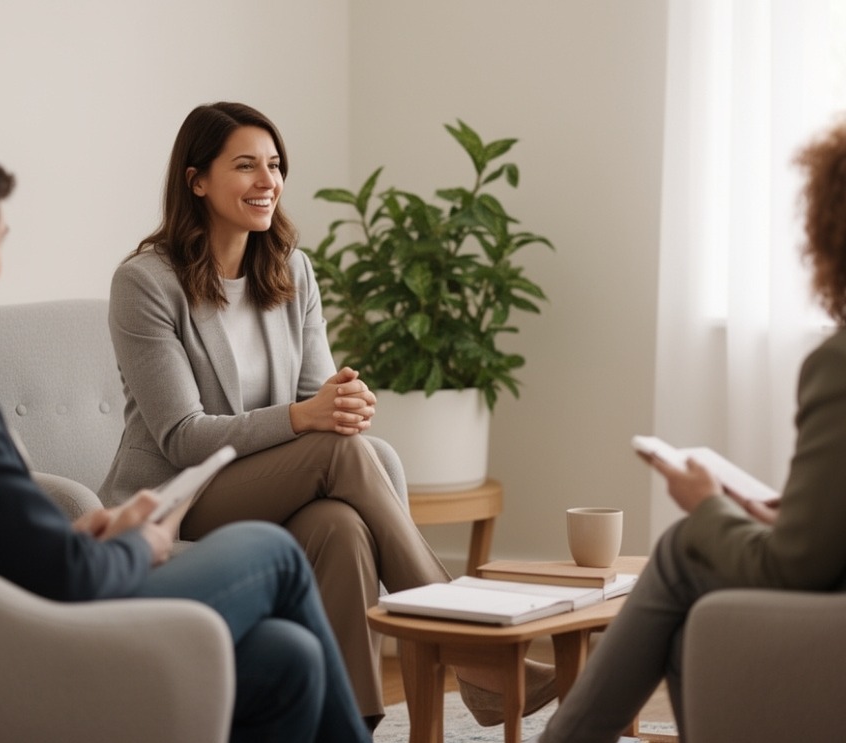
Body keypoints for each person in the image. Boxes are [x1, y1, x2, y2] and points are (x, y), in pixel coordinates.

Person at [0, 137, 372, 743]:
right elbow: (64, 577)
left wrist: (81, 530)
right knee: (272, 553)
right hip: (36, 637)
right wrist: (145, 542)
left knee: (288, 655)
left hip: (5, 606)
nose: (3, 263)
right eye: (2, 241)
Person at [97, 101, 557, 727]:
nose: (268, 182)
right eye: (246, 166)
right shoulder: (146, 283)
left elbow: (320, 395)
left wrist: (344, 404)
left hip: (274, 482)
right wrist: (307, 418)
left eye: (276, 165)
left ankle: (353, 724)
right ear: (196, 179)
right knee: (338, 453)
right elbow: (181, 437)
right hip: (182, 497)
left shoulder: (290, 268)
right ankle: (472, 651)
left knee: (341, 525)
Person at [537, 117, 846, 742]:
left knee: (685, 547)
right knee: (688, 629)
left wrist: (708, 502)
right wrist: (790, 514)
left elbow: (795, 570)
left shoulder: (845, 363)